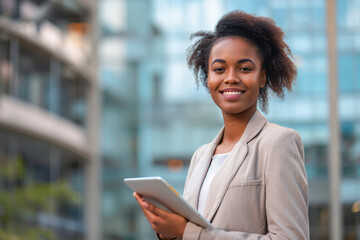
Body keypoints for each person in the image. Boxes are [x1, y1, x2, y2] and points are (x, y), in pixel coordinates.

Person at [134, 10, 309, 240]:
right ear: (207, 78)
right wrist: (169, 232)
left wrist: (185, 231)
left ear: (263, 77)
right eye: (219, 69)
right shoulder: (201, 156)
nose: (230, 78)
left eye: (245, 68)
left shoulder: (279, 143)